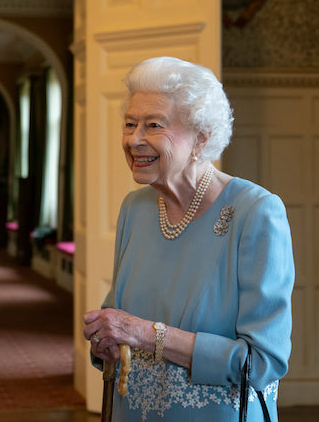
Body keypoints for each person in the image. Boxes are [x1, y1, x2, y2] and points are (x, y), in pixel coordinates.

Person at [83, 56, 294, 421]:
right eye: (130, 123)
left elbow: (262, 363)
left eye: (153, 125)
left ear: (202, 136)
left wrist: (147, 334)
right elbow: (119, 318)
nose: (134, 140)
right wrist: (106, 336)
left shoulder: (255, 212)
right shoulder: (136, 208)